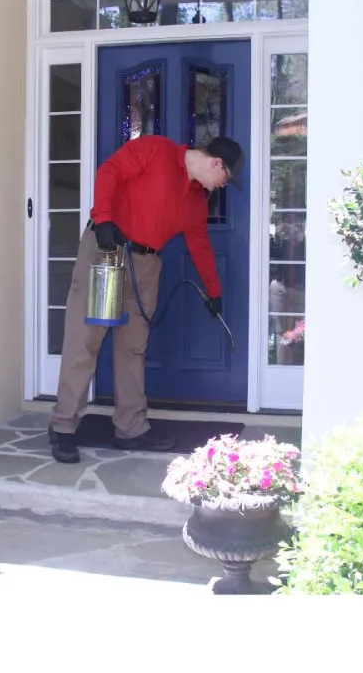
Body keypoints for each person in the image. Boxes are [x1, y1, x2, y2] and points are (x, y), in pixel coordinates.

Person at [48, 134, 243, 464]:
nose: (224, 185)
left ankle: (131, 427)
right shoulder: (155, 150)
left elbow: (199, 245)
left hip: (147, 265)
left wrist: (214, 292)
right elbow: (110, 171)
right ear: (216, 163)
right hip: (106, 249)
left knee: (133, 348)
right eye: (227, 178)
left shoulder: (196, 200)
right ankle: (63, 426)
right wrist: (103, 217)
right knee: (85, 341)